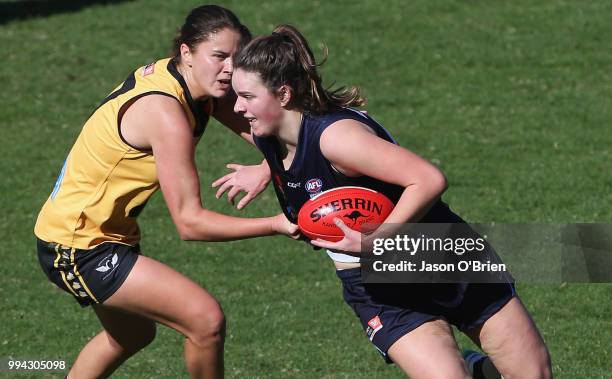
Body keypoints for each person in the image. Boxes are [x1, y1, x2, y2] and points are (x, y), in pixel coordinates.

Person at [217, 24, 553, 378]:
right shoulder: (269, 135)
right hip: (376, 284)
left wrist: (376, 241)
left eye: (247, 97)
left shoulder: (339, 141)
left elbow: (428, 179)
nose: (237, 107)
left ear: (283, 95)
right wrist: (265, 168)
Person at [34, 6, 297, 379]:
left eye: (237, 59)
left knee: (131, 335)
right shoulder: (166, 113)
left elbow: (277, 134)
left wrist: (267, 166)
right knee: (205, 320)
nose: (229, 69)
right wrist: (276, 223)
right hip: (78, 245)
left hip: (102, 234)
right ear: (186, 53)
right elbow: (190, 223)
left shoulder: (197, 83)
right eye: (219, 56)